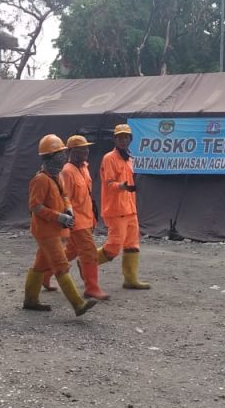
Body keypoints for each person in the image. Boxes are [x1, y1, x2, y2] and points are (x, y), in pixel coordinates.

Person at [23, 134, 97, 316]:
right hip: (45, 231)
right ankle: (78, 304)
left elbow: (64, 196)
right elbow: (35, 206)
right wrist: (58, 216)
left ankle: (30, 300)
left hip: (54, 229)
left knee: (40, 265)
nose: (64, 156)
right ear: (51, 156)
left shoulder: (56, 176)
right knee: (61, 265)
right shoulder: (41, 180)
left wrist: (69, 209)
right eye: (60, 153)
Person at [98, 123, 150, 289]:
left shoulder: (129, 158)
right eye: (120, 137)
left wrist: (131, 187)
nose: (123, 140)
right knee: (113, 247)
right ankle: (87, 262)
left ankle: (130, 279)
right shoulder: (109, 158)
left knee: (132, 245)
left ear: (130, 139)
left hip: (130, 209)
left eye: (126, 137)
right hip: (116, 210)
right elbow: (109, 183)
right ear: (115, 139)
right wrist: (122, 186)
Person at [60, 134, 110, 301]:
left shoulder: (84, 167)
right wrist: (67, 222)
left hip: (87, 218)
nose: (86, 152)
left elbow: (87, 195)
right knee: (89, 252)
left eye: (86, 148)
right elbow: (64, 198)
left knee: (71, 251)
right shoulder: (67, 171)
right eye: (81, 150)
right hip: (77, 221)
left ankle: (45, 274)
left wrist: (92, 218)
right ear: (71, 152)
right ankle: (92, 288)